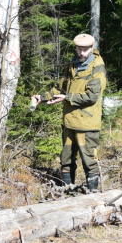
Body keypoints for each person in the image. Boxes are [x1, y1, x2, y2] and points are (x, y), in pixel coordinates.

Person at [32, 34, 106, 192]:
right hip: (69, 122)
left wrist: (67, 97)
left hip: (87, 124)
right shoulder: (72, 64)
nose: (81, 53)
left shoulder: (97, 67)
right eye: (79, 49)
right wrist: (42, 97)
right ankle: (67, 193)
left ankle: (92, 197)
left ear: (91, 49)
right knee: (66, 159)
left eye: (85, 50)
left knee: (89, 161)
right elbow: (60, 89)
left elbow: (92, 97)